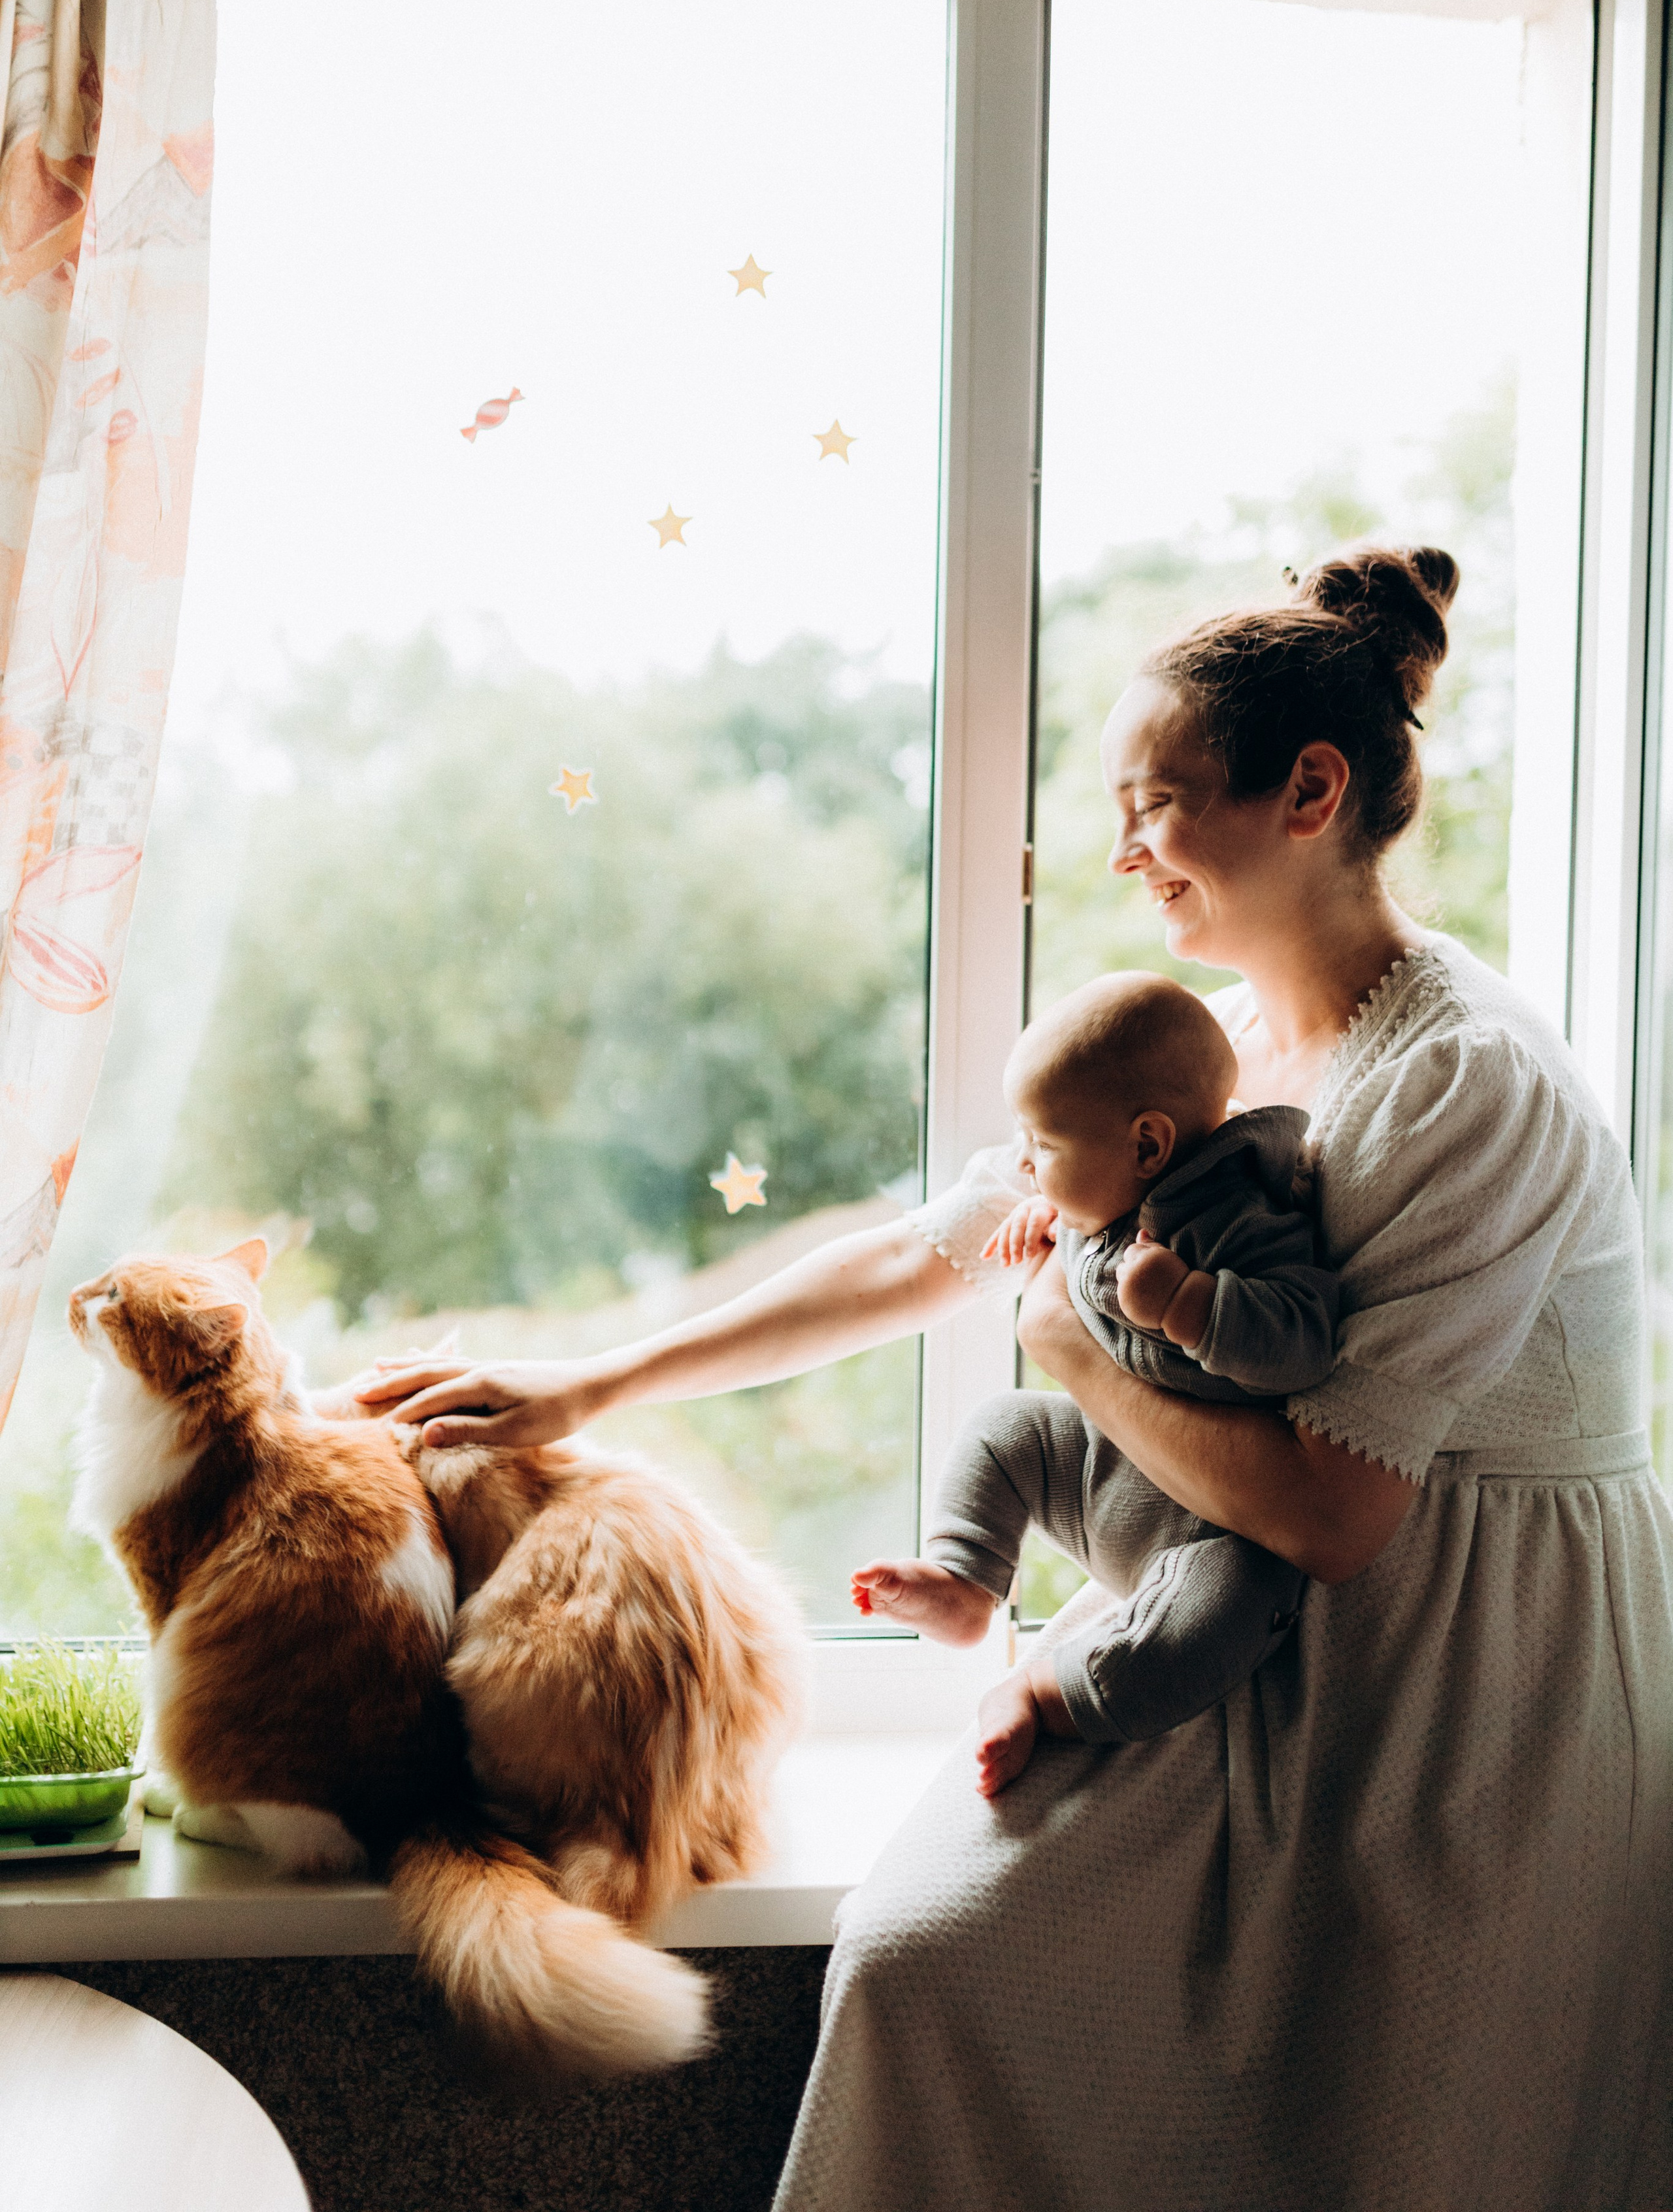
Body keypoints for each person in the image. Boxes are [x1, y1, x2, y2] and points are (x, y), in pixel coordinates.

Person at [357, 543, 1673, 2212]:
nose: (1118, 844)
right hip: (1232, 1616)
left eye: (1155, 800)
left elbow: (1337, 1509)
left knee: (1392, 2139)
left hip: (1470, 1678)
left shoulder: (1466, 1080)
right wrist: (594, 1381)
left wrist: (1060, 1347)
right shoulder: (1192, 1047)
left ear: (1308, 790)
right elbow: (935, 1247)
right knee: (921, 1969)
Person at [849, 967, 1338, 1798]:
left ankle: (1050, 1690)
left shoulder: (1236, 1213)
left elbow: (1305, 1340)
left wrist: (1190, 1305)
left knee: (1230, 1613)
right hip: (1110, 1469)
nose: (1023, 1165)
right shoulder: (1101, 1199)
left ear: (1146, 1146)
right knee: (1009, 1427)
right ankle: (965, 1576)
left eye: (1042, 1146)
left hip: (1212, 1530)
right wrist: (1056, 1220)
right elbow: (1045, 1230)